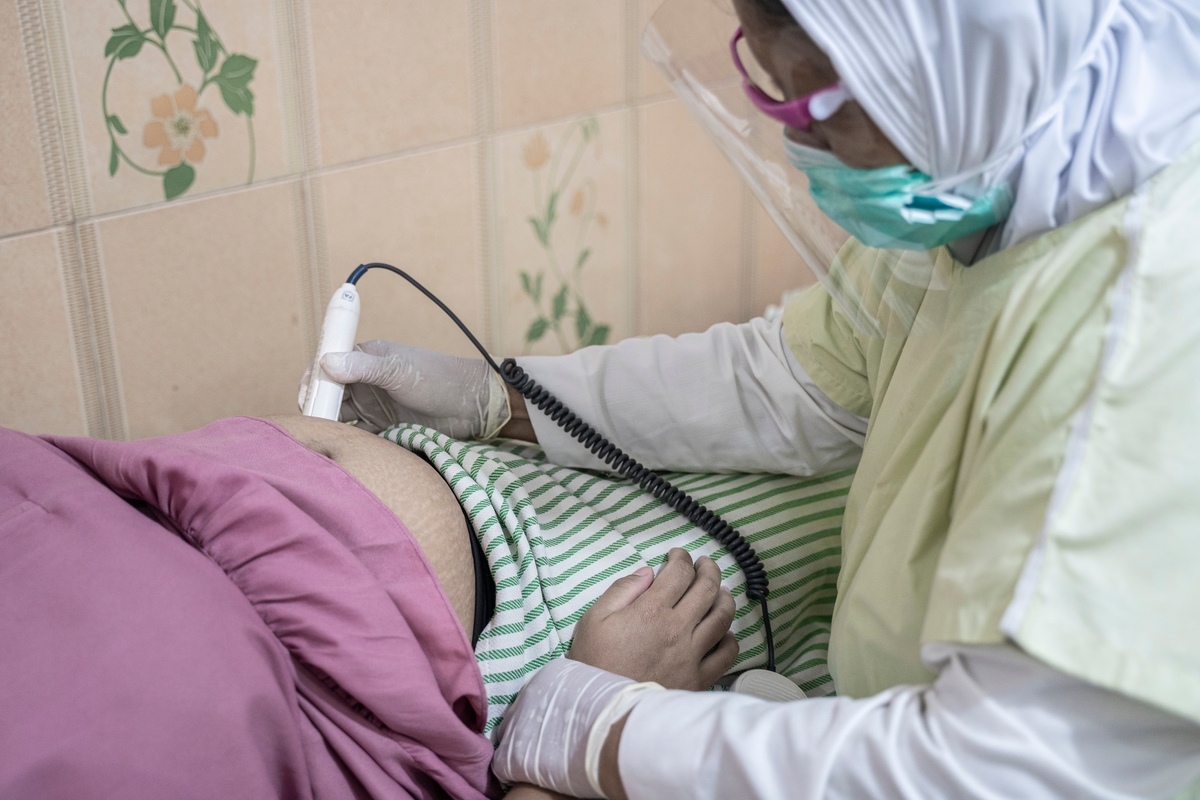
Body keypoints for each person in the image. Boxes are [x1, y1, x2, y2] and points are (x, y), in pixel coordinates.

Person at [311, 0, 1200, 797]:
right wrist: (499, 400)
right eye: (767, 90)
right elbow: (798, 378)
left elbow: (1003, 768)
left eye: (808, 106)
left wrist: (606, 731)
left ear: (943, 68)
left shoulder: (1156, 316)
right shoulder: (981, 164)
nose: (795, 145)